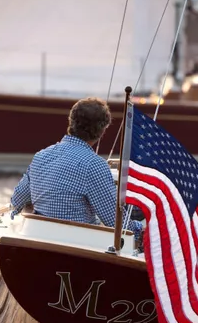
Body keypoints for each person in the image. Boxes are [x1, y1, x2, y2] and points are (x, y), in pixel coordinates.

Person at [10, 97, 143, 238]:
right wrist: (141, 229)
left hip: (38, 238)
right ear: (102, 130)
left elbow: (16, 202)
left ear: (71, 121)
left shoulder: (41, 156)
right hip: (77, 245)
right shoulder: (94, 165)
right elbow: (116, 223)